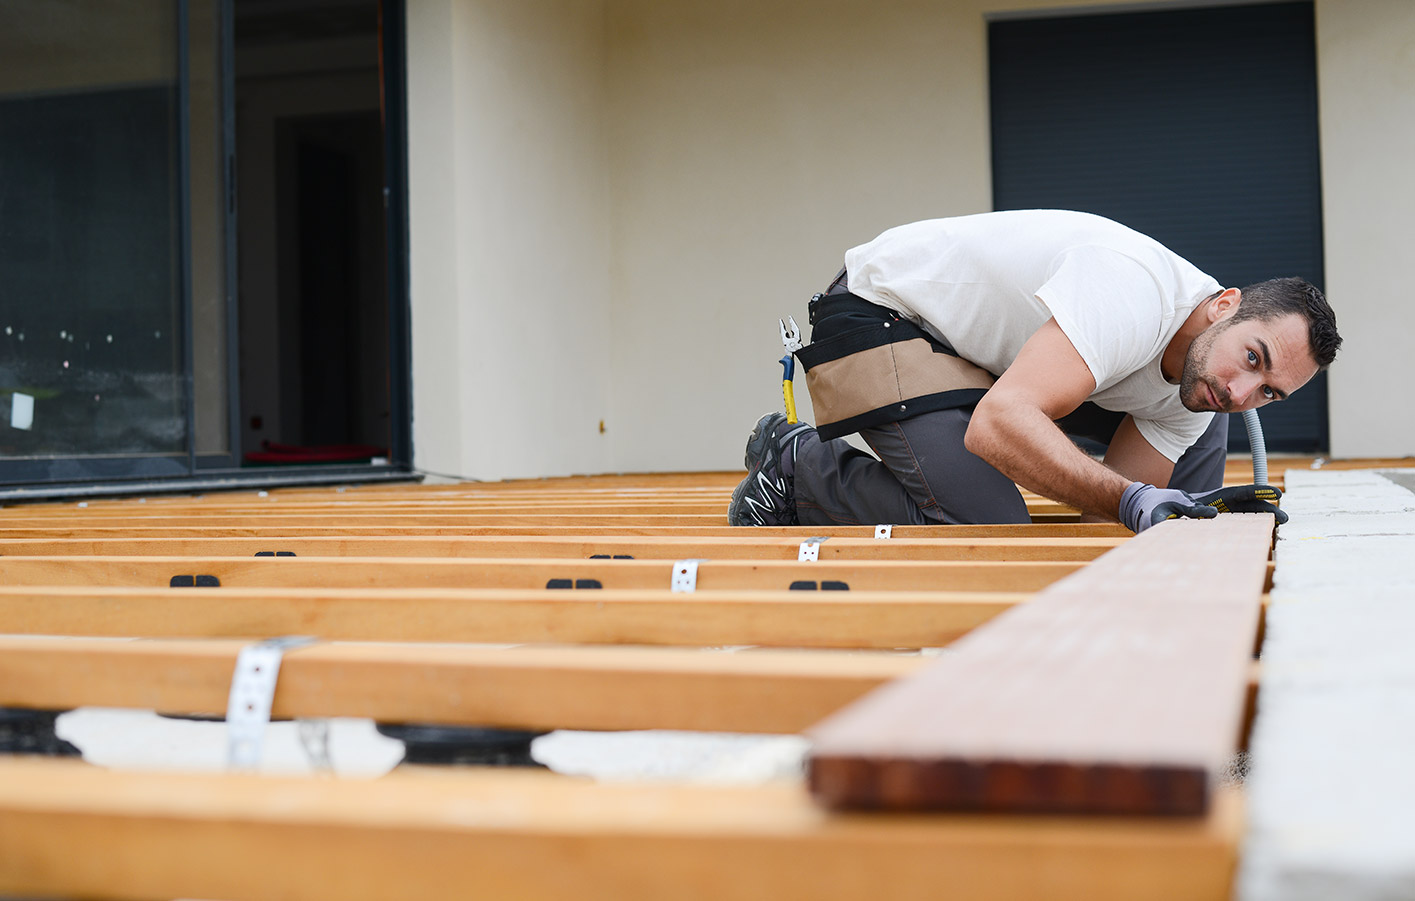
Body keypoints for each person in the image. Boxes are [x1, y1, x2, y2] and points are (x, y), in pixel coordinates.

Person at [727, 209, 1342, 533]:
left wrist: (1151, 513)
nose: (1241, 390)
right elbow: (998, 426)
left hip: (981, 359)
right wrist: (1131, 499)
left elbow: (1104, 512)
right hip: (887, 312)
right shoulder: (1132, 295)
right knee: (987, 524)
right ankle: (797, 464)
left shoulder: (1205, 385)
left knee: (1203, 428)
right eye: (1253, 357)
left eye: (1269, 392)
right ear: (1226, 304)